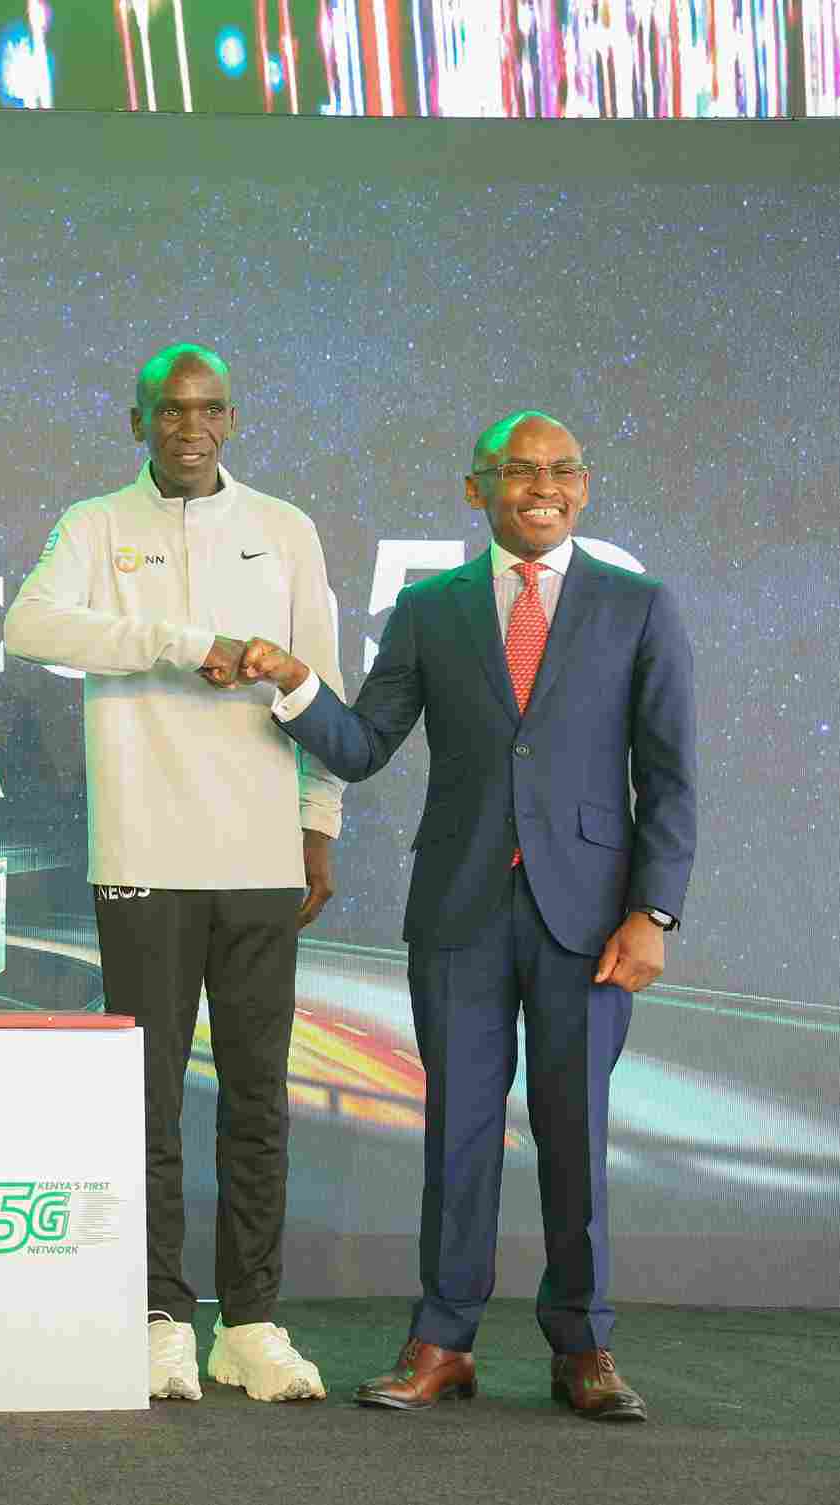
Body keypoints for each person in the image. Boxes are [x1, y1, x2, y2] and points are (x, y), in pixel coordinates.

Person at [239, 410, 695, 1422]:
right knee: (455, 1131)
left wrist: (652, 909)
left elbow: (667, 776)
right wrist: (292, 682)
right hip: (460, 909)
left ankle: (584, 1345)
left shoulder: (637, 605)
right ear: (474, 488)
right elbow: (360, 745)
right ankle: (441, 1341)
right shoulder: (429, 605)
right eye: (518, 470)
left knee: (574, 1134)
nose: (542, 485)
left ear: (583, 484)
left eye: (561, 469)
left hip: (591, 920)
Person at [3, 344, 342, 1404]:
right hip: (143, 849)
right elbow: (26, 624)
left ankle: (250, 1322)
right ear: (135, 419)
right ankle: (158, 1313)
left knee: (256, 1096)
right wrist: (172, 639)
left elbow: (321, 681)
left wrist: (317, 823)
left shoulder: (282, 528)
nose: (187, 427)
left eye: (206, 410)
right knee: (144, 1098)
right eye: (167, 410)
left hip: (255, 854)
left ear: (230, 419)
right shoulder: (94, 524)